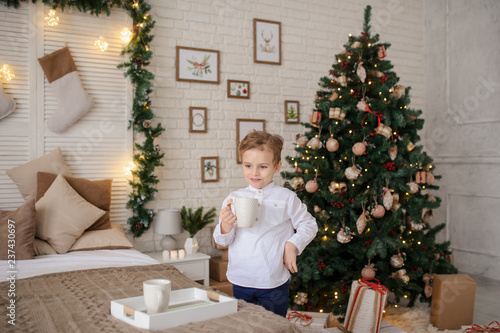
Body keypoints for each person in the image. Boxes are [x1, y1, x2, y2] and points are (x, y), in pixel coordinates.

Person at [213, 131, 318, 317]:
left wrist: (292, 244)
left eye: (262, 166)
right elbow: (222, 239)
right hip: (241, 279)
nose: (254, 172)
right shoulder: (234, 198)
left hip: (273, 281)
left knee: (273, 326)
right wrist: (226, 225)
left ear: (276, 167)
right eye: (248, 165)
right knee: (246, 327)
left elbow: (309, 224)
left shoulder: (286, 197)